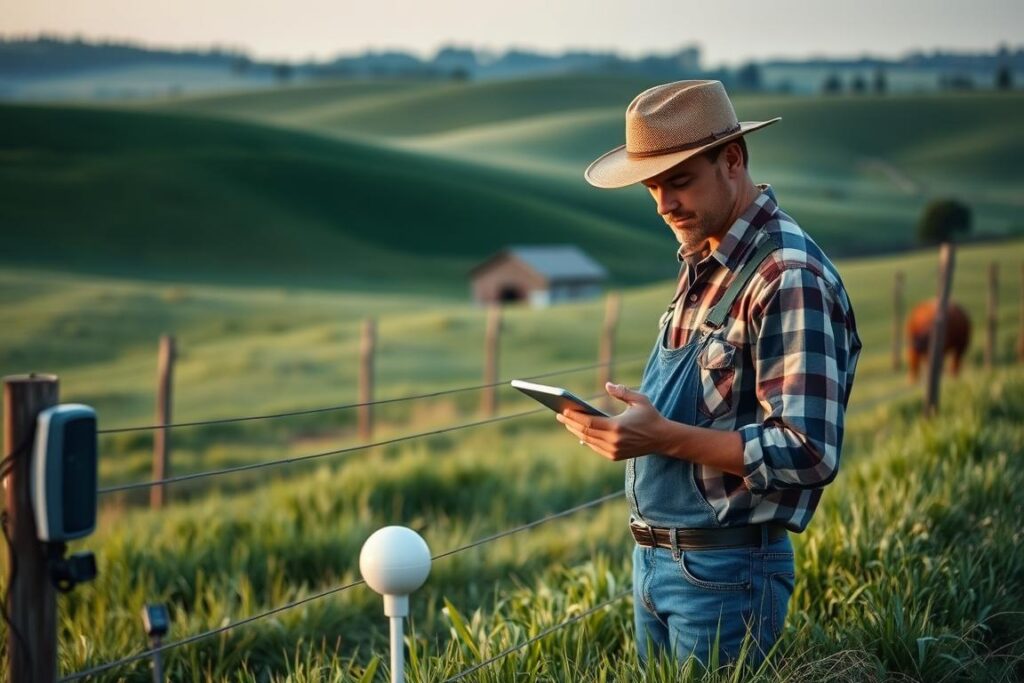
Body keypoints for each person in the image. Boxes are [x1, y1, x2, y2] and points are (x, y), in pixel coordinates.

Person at [556, 80, 862, 668]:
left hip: (727, 573)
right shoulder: (708, 260)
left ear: (732, 160)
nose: (663, 204)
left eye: (679, 180)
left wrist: (661, 437)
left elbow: (809, 453)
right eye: (652, 186)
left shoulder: (785, 275)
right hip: (656, 562)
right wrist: (633, 424)